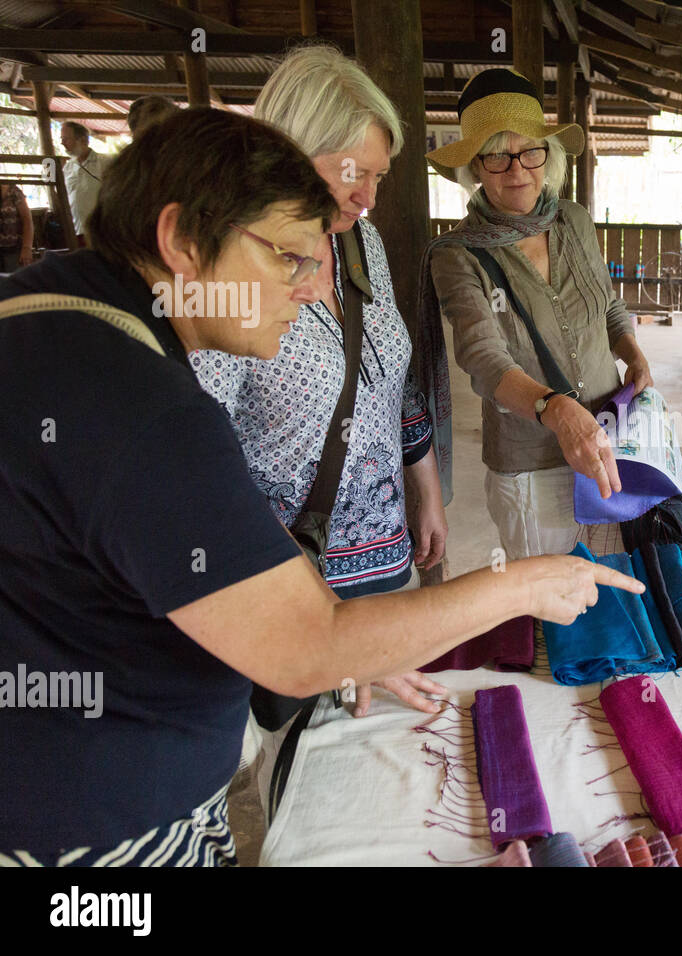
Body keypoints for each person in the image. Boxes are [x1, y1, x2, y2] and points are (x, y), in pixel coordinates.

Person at [0, 108, 641, 866]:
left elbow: (213, 557)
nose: (308, 290)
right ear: (178, 239)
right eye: (289, 259)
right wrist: (524, 586)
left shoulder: (55, 311)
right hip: (94, 834)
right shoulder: (142, 406)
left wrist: (348, 631)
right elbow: (303, 651)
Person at [191, 46, 452, 718]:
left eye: (380, 178)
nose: (368, 199)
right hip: (288, 584)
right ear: (287, 151)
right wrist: (325, 619)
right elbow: (198, 461)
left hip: (386, 561)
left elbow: (392, 375)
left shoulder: (362, 246)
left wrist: (426, 489)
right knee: (311, 774)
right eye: (351, 173)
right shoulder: (230, 269)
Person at [426, 68, 654, 560]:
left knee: (614, 599)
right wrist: (556, 409)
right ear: (474, 168)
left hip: (610, 445)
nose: (517, 171)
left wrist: (633, 353)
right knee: (552, 621)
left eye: (530, 151)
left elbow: (608, 305)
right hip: (531, 465)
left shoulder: (573, 220)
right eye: (497, 155)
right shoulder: (457, 254)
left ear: (547, 155)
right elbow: (484, 358)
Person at [59, 121, 104, 243]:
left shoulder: (104, 162)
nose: (62, 143)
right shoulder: (67, 168)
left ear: (83, 140)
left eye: (66, 139)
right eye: (61, 139)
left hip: (102, 233)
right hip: (76, 232)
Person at [0, 181, 33, 272]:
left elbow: (27, 221)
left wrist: (27, 248)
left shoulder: (13, 191)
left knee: (15, 281)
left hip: (14, 250)